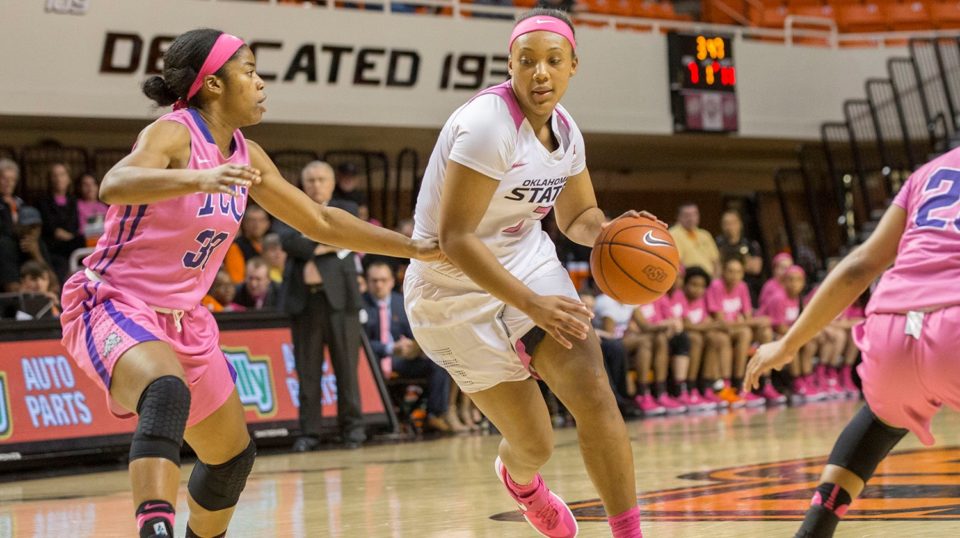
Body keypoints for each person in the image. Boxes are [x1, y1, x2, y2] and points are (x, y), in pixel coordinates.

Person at [57, 29, 439, 538]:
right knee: (165, 391)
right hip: (114, 301)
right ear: (213, 84)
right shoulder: (173, 132)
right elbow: (115, 184)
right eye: (251, 71)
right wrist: (196, 178)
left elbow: (320, 222)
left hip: (184, 317)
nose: (261, 83)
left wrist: (411, 247)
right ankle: (155, 528)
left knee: (232, 458)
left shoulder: (247, 155)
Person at [403, 9, 648, 537]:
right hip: (448, 290)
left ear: (573, 66)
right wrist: (534, 306)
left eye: (553, 61)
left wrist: (610, 233)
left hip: (525, 262)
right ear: (509, 65)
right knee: (535, 442)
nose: (540, 73)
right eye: (528, 61)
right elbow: (456, 239)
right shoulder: (488, 127)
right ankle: (523, 485)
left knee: (594, 391)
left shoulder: (566, 130)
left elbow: (578, 217)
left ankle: (629, 533)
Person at [744, 149, 960, 538]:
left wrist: (788, 343)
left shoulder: (927, 173)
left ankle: (813, 530)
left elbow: (862, 264)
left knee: (881, 420)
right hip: (955, 327)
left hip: (890, 327)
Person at [281, 160, 368, 452]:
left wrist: (310, 241)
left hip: (342, 301)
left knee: (347, 368)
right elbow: (288, 241)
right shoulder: (289, 206)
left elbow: (350, 236)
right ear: (302, 184)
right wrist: (327, 241)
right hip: (305, 302)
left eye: (321, 179)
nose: (316, 185)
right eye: (311, 180)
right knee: (307, 371)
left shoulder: (348, 209)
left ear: (332, 183)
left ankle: (353, 430)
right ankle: (309, 433)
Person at [362, 261, 454, 432]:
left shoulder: (402, 302)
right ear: (367, 282)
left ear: (391, 281)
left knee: (439, 363)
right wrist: (389, 348)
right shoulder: (360, 304)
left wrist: (413, 347)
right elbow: (361, 343)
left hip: (402, 360)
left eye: (383, 280)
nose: (378, 285)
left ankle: (435, 414)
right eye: (374, 280)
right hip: (374, 362)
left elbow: (415, 331)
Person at [706, 257, 779, 407]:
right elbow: (722, 323)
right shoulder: (716, 286)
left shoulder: (742, 286)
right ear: (723, 272)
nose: (734, 275)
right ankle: (735, 385)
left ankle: (765, 383)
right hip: (720, 331)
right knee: (744, 333)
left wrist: (749, 322)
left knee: (764, 332)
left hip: (739, 330)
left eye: (738, 272)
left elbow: (747, 316)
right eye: (730, 271)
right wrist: (751, 321)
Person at [675, 266, 728, 409]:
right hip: (679, 338)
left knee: (714, 338)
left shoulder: (702, 299)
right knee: (696, 338)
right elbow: (687, 325)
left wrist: (709, 326)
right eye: (693, 285)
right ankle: (690, 388)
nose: (698, 289)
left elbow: (705, 322)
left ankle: (708, 386)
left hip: (698, 334)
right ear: (685, 284)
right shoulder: (679, 296)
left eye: (702, 286)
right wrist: (710, 326)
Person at [716, 209, 763, 306]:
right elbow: (716, 270)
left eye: (733, 223)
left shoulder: (750, 244)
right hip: (724, 289)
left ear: (740, 224)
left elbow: (755, 269)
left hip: (748, 286)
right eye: (726, 223)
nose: (730, 227)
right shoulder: (717, 244)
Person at [669, 202, 721, 277]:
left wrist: (715, 280)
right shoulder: (672, 234)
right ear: (678, 217)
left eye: (694, 214)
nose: (691, 218)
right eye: (687, 215)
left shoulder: (705, 234)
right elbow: (676, 263)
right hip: (687, 281)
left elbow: (716, 262)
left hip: (709, 280)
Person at [0, 159, 25, 291]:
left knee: (37, 243)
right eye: (4, 178)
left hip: (20, 243)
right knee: (5, 244)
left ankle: (51, 286)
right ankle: (13, 287)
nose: (8, 183)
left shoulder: (20, 202)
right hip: (5, 244)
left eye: (12, 179)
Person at [75, 172, 109, 241]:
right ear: (79, 187)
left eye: (93, 184)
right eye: (85, 185)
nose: (90, 187)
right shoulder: (76, 206)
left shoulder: (104, 206)